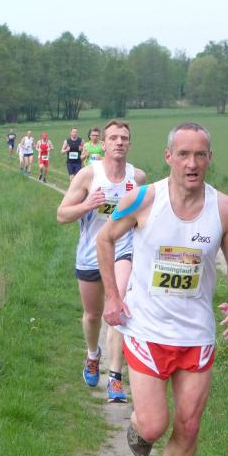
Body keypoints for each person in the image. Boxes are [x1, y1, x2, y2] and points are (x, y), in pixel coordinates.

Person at [96, 122, 228, 456]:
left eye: (199, 155)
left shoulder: (226, 210)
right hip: (147, 329)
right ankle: (140, 427)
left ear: (210, 158)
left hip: (196, 334)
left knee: (189, 425)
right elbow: (105, 238)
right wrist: (113, 297)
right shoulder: (143, 199)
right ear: (168, 157)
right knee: (153, 426)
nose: (191, 163)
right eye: (183, 154)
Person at [57, 120, 147, 402]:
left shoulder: (138, 177)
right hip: (91, 253)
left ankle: (115, 378)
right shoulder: (88, 175)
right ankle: (93, 355)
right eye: (113, 138)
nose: (119, 142)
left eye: (124, 138)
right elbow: (61, 215)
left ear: (129, 143)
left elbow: (145, 216)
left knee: (118, 308)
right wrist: (88, 205)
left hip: (123, 250)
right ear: (103, 143)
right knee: (93, 315)